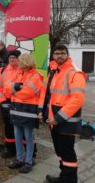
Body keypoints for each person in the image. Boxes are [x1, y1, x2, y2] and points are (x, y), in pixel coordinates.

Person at [43, 45, 86, 183]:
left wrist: (58, 118)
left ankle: (70, 180)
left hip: (66, 121)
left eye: (63, 53)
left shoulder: (74, 72)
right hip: (56, 120)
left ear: (67, 54)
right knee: (60, 152)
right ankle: (64, 177)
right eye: (57, 53)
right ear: (53, 55)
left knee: (67, 153)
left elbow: (77, 99)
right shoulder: (56, 72)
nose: (60, 55)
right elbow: (52, 97)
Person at [7, 54, 44, 173]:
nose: (19, 64)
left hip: (28, 109)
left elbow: (27, 93)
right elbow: (7, 87)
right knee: (17, 135)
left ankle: (28, 161)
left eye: (20, 62)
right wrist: (15, 88)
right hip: (17, 108)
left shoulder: (36, 76)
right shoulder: (18, 73)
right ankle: (19, 159)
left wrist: (14, 91)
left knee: (28, 137)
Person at [0, 50, 22, 158]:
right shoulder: (3, 70)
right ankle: (10, 149)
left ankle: (25, 150)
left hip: (20, 103)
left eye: (14, 57)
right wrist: (2, 100)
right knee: (9, 127)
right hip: (7, 102)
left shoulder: (24, 70)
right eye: (10, 58)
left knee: (21, 127)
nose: (12, 59)